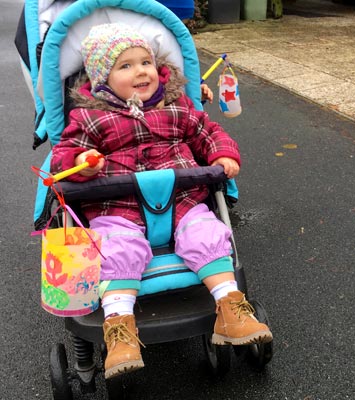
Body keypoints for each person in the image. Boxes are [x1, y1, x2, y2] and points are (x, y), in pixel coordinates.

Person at [50, 23, 272, 378]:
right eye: (125, 66)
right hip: (118, 207)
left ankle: (231, 307)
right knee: (116, 250)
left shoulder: (177, 106)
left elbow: (207, 131)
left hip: (182, 199)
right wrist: (81, 163)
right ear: (102, 78)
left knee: (207, 232)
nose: (140, 71)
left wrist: (222, 155)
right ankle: (120, 329)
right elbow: (64, 153)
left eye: (145, 62)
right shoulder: (90, 117)